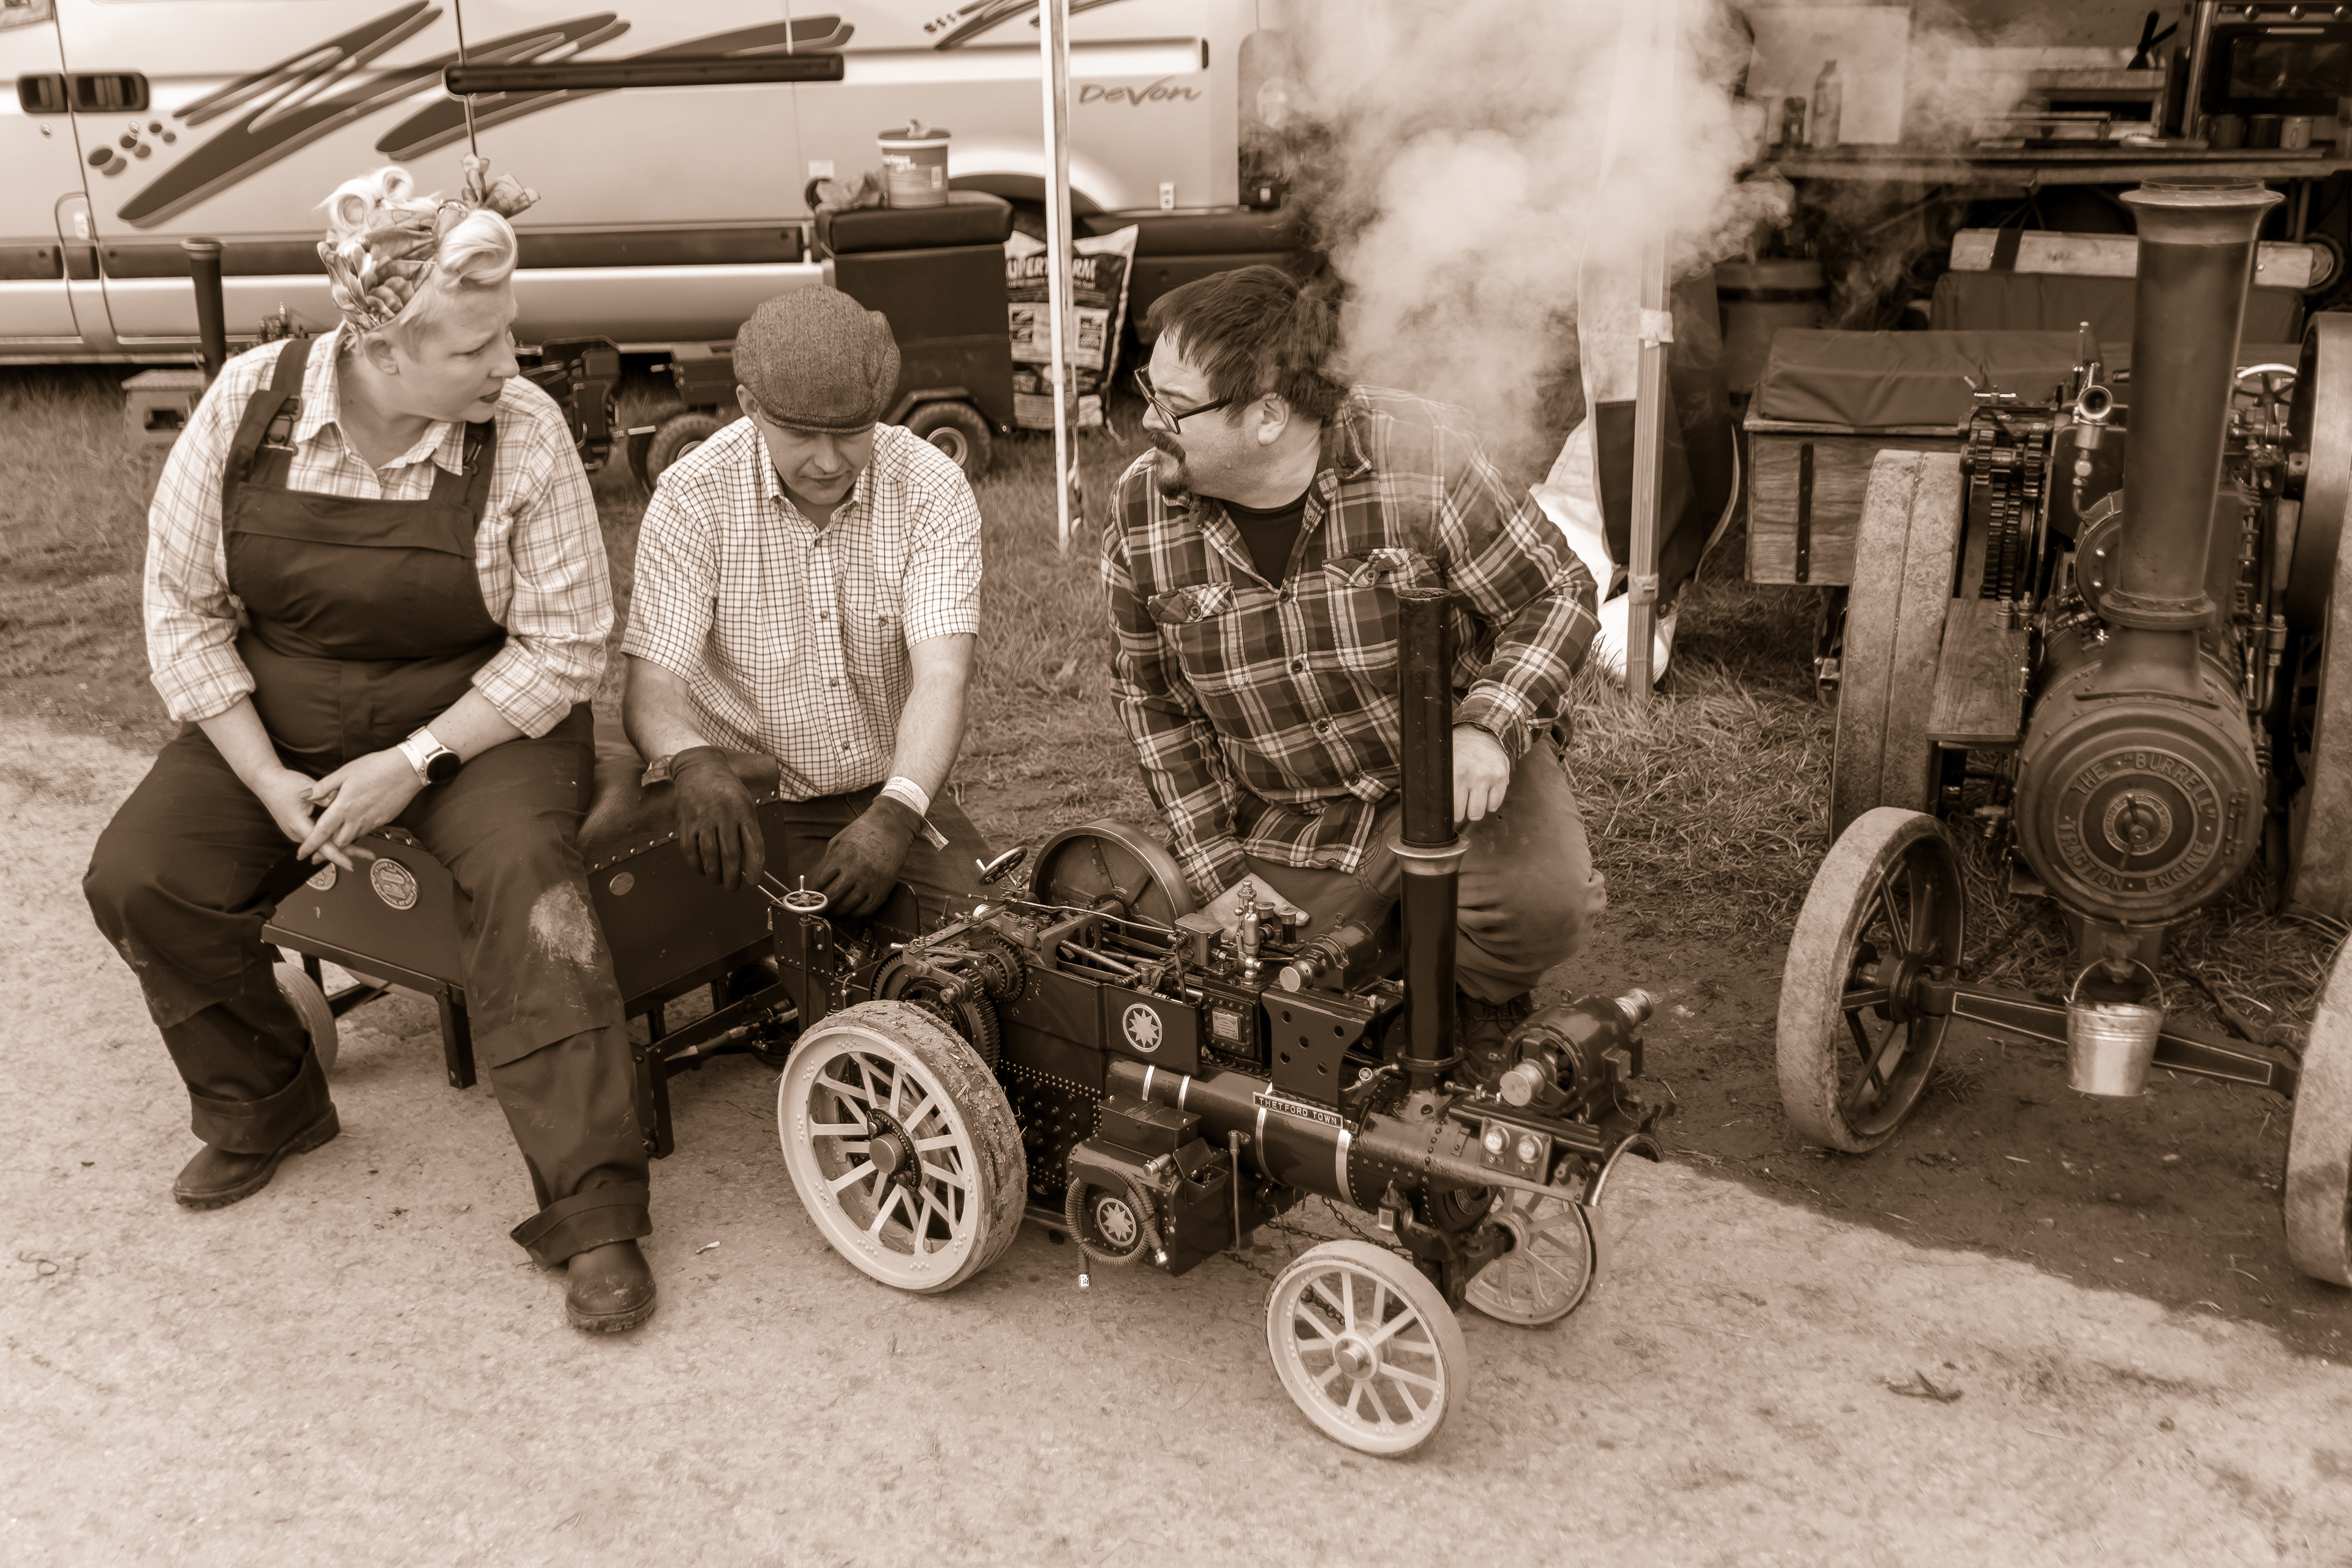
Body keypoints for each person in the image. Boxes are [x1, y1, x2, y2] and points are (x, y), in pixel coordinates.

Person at [83, 160, 660, 1333]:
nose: (509, 364)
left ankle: (594, 1210)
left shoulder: (526, 433)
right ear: (383, 348)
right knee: (141, 879)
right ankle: (267, 1102)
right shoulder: (250, 407)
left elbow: (564, 649)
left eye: (508, 334)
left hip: (481, 714)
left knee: (530, 895)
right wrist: (263, 778)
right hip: (281, 704)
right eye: (474, 349)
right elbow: (182, 614)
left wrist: (415, 762)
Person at [1102, 265, 1607, 1084]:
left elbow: (1557, 591)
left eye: (1171, 406)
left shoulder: (1424, 450)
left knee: (1539, 910)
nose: (1147, 422)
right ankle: (1407, 950)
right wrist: (1220, 877)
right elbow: (1153, 705)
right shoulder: (1140, 512)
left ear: (1267, 415)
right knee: (1242, 976)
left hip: (1453, 780)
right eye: (1148, 391)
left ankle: (1478, 994)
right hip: (1291, 809)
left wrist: (1489, 725)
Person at [622, 287, 992, 924]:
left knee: (982, 944)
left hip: (889, 784)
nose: (827, 461)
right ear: (748, 406)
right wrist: (695, 765)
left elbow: (943, 674)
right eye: (799, 434)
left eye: (852, 434)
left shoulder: (931, 485)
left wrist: (900, 811)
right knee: (785, 973)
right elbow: (652, 686)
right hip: (747, 796)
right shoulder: (693, 495)